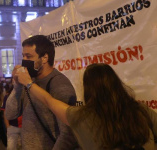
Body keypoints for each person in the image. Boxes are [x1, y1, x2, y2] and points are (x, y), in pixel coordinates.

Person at [16, 63, 157, 149]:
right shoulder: (141, 110)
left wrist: (28, 83)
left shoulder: (81, 116)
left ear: (88, 89)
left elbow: (49, 101)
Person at [5, 35, 78, 150]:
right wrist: (17, 86)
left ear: (44, 58)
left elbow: (68, 134)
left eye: (29, 56)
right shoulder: (30, 80)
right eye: (23, 56)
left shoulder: (59, 84)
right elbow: (10, 114)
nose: (24, 61)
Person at [2, 80, 22, 150]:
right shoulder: (8, 96)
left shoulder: (27, 94)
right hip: (13, 126)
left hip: (25, 127)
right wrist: (8, 126)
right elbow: (5, 112)